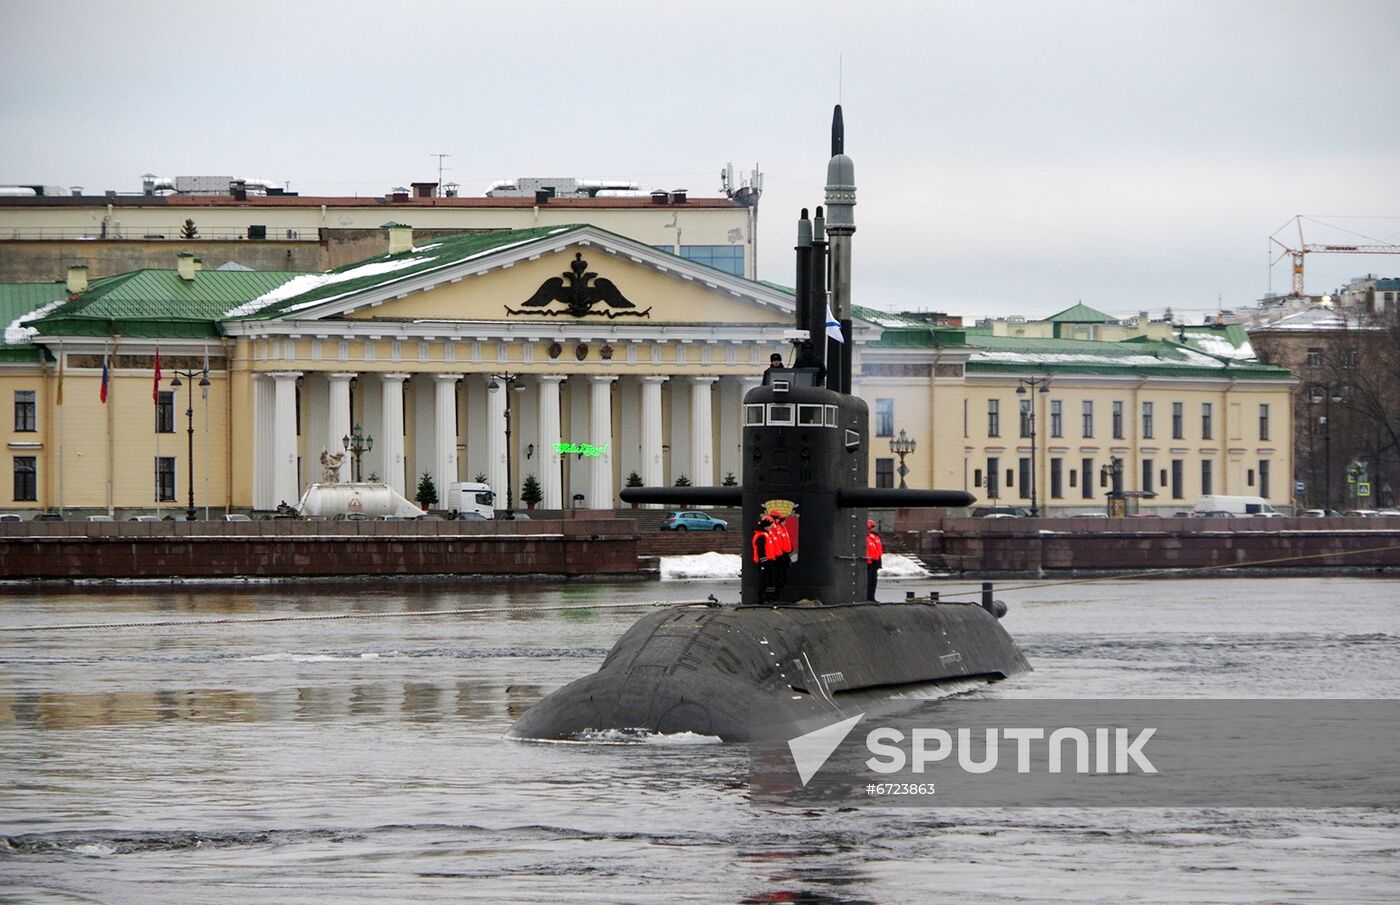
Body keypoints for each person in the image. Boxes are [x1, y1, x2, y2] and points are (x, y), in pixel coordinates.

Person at [767, 509, 791, 595]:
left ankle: (777, 594)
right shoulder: (773, 528)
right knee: (775, 576)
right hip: (776, 555)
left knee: (781, 575)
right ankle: (773, 595)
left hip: (781, 554)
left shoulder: (780, 528)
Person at [752, 516, 774, 603]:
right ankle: (761, 599)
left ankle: (768, 598)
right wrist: (764, 561)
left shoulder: (765, 534)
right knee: (763, 580)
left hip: (768, 561)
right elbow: (761, 549)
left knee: (768, 580)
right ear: (766, 526)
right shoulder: (761, 536)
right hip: (763, 562)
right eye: (769, 526)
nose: (770, 528)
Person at [865, 519, 884, 602]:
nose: (871, 529)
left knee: (873, 581)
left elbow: (877, 550)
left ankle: (871, 597)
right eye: (869, 528)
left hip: (874, 562)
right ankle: (868, 597)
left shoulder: (874, 537)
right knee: (869, 581)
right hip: (868, 563)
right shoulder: (866, 538)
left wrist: (878, 561)